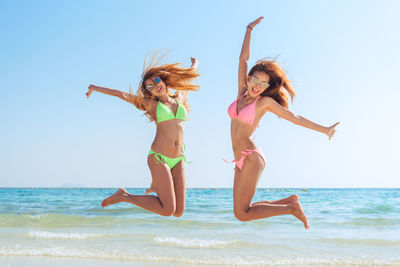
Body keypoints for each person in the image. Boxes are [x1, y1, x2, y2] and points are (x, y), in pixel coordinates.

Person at [227, 17, 339, 228]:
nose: (257, 86)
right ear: (248, 79)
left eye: (263, 84)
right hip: (239, 159)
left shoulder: (264, 103)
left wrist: (325, 129)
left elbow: (294, 118)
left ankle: (291, 209)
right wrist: (249, 29)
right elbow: (243, 59)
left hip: (251, 157)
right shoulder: (241, 93)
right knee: (241, 210)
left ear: (267, 87)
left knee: (243, 213)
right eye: (255, 80)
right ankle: (290, 203)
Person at [86, 55, 199, 217]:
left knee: (179, 212)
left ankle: (155, 185)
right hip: (159, 157)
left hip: (178, 159)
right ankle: (124, 196)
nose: (156, 86)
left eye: (157, 81)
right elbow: (121, 94)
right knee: (168, 210)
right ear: (149, 92)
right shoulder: (152, 105)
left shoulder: (180, 98)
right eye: (150, 86)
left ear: (164, 80)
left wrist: (195, 64)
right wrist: (94, 87)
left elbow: (188, 79)